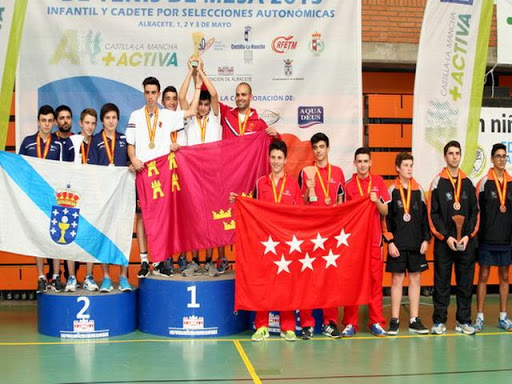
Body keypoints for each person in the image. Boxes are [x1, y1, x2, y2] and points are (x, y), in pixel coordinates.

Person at [126, 74, 200, 279]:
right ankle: (143, 261)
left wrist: (198, 83)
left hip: (161, 174)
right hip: (142, 172)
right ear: (144, 93)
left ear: (158, 94)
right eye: (147, 93)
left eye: (153, 93)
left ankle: (158, 261)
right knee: (142, 218)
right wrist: (133, 159)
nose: (150, 97)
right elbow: (130, 144)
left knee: (160, 217)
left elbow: (193, 110)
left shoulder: (167, 115)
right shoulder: (135, 116)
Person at [230, 140, 302, 342]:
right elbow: (252, 207)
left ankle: (287, 327)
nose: (276, 162)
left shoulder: (292, 183)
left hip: (287, 242)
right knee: (264, 283)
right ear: (268, 158)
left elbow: (300, 213)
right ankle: (261, 326)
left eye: (280, 158)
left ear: (286, 160)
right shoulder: (260, 183)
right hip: (266, 242)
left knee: (286, 284)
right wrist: (239, 201)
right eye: (273, 157)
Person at [178, 58, 226, 277]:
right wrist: (191, 73)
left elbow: (215, 95)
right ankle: (195, 260)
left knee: (211, 217)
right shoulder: (189, 119)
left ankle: (209, 260)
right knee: (195, 218)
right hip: (193, 174)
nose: (204, 107)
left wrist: (203, 74)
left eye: (206, 105)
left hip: (213, 174)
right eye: (201, 104)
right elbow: (181, 97)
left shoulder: (216, 119)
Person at [428, 140, 479, 335]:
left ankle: (463, 321)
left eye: (457, 153)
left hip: (466, 243)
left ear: (460, 156)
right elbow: (433, 215)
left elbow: (476, 212)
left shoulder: (468, 182)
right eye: (451, 153)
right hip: (444, 243)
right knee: (441, 282)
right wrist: (446, 237)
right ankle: (439, 321)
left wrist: (467, 236)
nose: (454, 156)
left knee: (465, 283)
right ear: (445, 156)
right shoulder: (437, 182)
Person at [297, 132, 345, 339]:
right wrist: (308, 190)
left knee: (330, 279)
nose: (318, 151)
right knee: (308, 278)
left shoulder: (339, 173)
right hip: (310, 232)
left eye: (321, 147)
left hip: (331, 234)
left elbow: (342, 203)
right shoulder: (306, 172)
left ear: (328, 148)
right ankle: (307, 323)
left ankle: (330, 322)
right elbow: (301, 204)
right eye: (315, 147)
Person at [342, 147, 390, 337]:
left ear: (370, 163)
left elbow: (385, 211)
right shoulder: (348, 185)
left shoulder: (378, 182)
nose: (362, 165)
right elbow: (343, 212)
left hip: (373, 241)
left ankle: (376, 321)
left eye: (365, 161)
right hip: (354, 242)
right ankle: (350, 323)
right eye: (359, 161)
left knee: (375, 283)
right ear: (355, 163)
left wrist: (377, 200)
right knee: (351, 283)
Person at [382, 152, 430, 335]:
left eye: (411, 165)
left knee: (416, 279)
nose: (409, 168)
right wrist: (390, 241)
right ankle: (394, 320)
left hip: (417, 245)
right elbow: (385, 219)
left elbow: (425, 218)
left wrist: (426, 239)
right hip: (398, 245)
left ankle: (414, 320)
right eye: (406, 165)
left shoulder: (419, 190)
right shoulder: (391, 190)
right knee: (397, 280)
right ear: (397, 168)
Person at [19, 105, 65, 293]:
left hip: (53, 198)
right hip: (34, 198)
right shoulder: (28, 142)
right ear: (38, 121)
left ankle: (55, 277)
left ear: (54, 122)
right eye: (43, 120)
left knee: (55, 236)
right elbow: (20, 168)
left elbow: (64, 171)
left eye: (49, 121)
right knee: (38, 238)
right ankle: (40, 276)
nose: (46, 124)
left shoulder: (60, 144)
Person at [88, 103, 133, 292]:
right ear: (102, 120)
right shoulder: (96, 141)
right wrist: (99, 195)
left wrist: (131, 164)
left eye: (114, 117)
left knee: (122, 236)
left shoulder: (124, 139)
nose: (111, 121)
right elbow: (92, 171)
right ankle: (106, 277)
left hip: (123, 197)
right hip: (103, 198)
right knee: (105, 237)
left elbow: (131, 161)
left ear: (118, 119)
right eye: (107, 118)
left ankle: (123, 277)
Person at [473, 143, 512, 332]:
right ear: (492, 159)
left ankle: (503, 316)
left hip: (506, 239)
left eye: (504, 156)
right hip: (487, 238)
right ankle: (479, 316)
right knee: (483, 276)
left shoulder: (511, 183)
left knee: (505, 277)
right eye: (498, 156)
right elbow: (476, 212)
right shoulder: (483, 184)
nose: (502, 159)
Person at [65, 108, 100, 292]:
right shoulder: (72, 142)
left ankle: (88, 276)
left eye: (93, 123)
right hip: (73, 196)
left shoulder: (98, 143)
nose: (90, 126)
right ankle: (71, 277)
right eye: (87, 123)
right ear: (80, 123)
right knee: (71, 235)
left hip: (92, 197)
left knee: (89, 238)